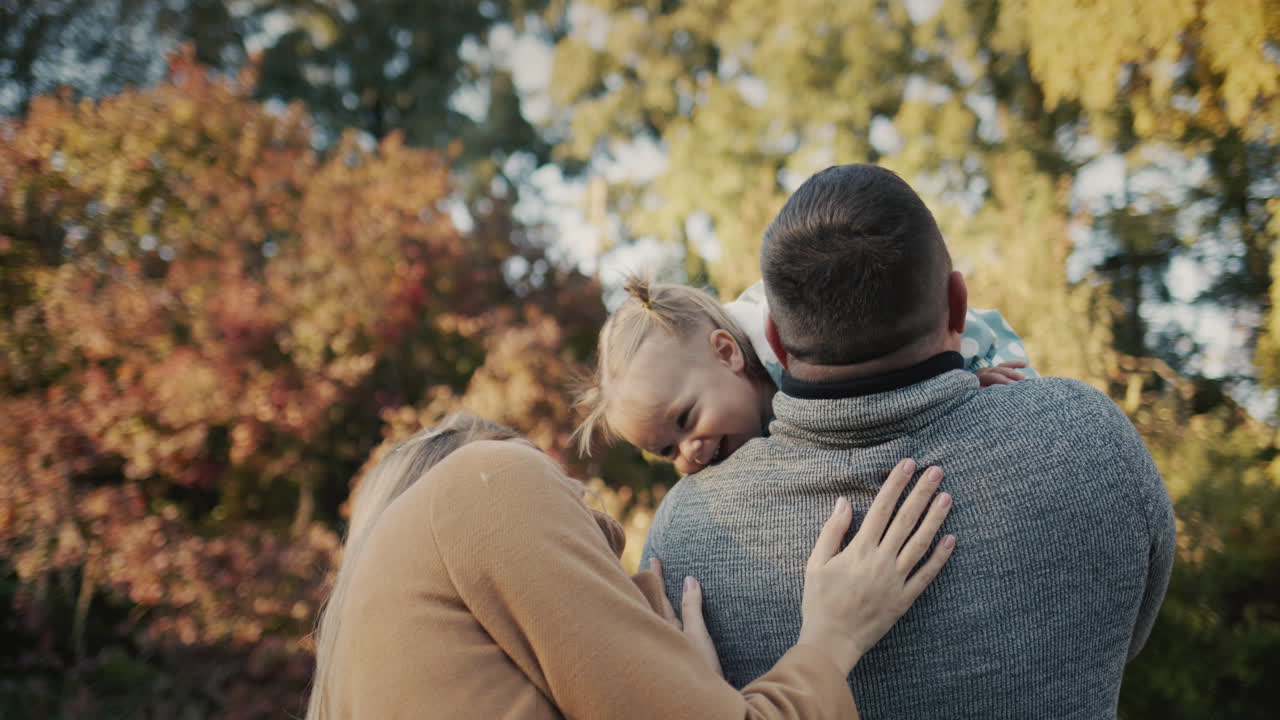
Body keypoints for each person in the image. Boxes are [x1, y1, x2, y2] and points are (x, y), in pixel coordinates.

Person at [637, 164, 1176, 717]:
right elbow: (1124, 640)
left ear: (772, 335)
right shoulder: (1088, 437)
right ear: (959, 307)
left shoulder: (683, 536)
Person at [304, 411, 958, 720]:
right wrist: (834, 636)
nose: (584, 500)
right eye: (551, 473)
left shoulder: (363, 659)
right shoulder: (484, 478)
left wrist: (684, 689)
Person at [573, 276, 1031, 476]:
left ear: (727, 353)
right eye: (666, 451)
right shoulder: (734, 412)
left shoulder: (797, 342)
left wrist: (960, 376)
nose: (689, 452)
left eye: (687, 418)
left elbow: (890, 361)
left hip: (967, 343)